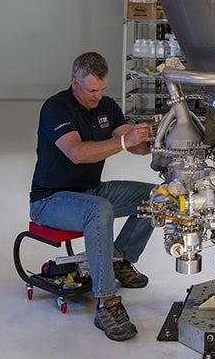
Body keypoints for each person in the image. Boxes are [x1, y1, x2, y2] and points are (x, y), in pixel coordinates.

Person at [29, 51, 155, 341]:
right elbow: (77, 153)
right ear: (74, 82)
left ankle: (118, 260)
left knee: (156, 197)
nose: (98, 97)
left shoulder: (106, 106)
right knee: (98, 210)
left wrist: (152, 140)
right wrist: (124, 141)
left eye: (102, 90)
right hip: (50, 199)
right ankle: (107, 302)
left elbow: (133, 144)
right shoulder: (56, 108)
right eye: (91, 91)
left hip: (90, 191)